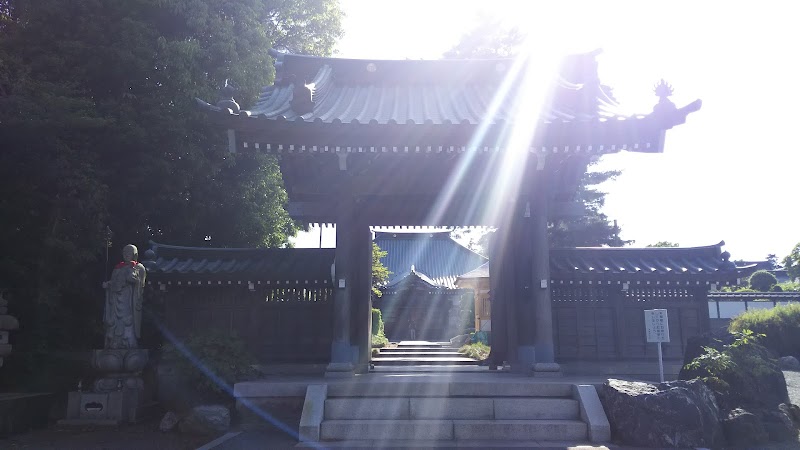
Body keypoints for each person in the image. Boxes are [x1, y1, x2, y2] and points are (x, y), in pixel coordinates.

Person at [103, 244, 146, 349]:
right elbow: (113, 282)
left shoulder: (138, 267)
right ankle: (114, 343)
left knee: (127, 321)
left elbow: (139, 282)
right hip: (115, 299)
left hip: (129, 300)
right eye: (125, 253)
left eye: (129, 253)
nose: (127, 255)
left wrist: (133, 278)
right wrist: (108, 284)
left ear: (134, 254)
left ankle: (128, 343)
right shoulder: (117, 268)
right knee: (114, 321)